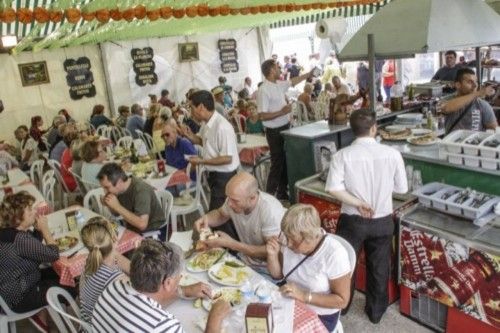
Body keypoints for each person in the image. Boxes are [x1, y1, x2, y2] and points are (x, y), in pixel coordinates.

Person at [325, 108, 408, 323]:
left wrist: (358, 202)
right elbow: (402, 189)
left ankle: (341, 308)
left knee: (345, 266)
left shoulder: (342, 155)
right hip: (382, 221)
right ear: (374, 128)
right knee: (379, 268)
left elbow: (332, 188)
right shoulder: (393, 154)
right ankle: (376, 313)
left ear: (352, 130)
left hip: (352, 220)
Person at [92, 239, 231, 333]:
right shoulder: (164, 325)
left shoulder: (114, 287)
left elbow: (145, 305)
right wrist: (215, 317)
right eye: (179, 277)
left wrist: (182, 291)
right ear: (168, 283)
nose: (180, 279)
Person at [266, 204, 351, 332]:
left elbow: (342, 301)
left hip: (320, 315)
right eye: (286, 237)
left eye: (293, 240)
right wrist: (272, 256)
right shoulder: (289, 242)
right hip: (291, 303)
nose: (288, 244)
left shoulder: (335, 254)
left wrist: (304, 296)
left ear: (310, 237)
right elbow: (279, 276)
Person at [0, 192, 70, 332]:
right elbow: (53, 254)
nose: (35, 211)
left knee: (54, 273)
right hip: (19, 297)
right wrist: (45, 230)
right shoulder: (19, 239)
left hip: (8, 290)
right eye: (30, 209)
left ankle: (41, 316)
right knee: (67, 284)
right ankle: (67, 322)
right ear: (18, 216)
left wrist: (37, 232)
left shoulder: (8, 232)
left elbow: (31, 247)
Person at [180, 90, 240, 238]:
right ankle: (229, 247)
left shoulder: (222, 126)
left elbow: (227, 158)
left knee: (218, 217)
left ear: (201, 107)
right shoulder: (206, 124)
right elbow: (203, 142)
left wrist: (201, 161)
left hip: (225, 177)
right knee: (222, 217)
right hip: (214, 175)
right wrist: (189, 136)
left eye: (191, 107)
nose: (190, 111)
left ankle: (229, 249)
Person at [194, 172, 285, 269]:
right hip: (244, 260)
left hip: (268, 269)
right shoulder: (233, 200)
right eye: (228, 197)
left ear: (252, 198)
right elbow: (221, 214)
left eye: (235, 200)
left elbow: (272, 251)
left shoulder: (270, 210)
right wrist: (206, 219)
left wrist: (231, 244)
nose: (229, 204)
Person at [257, 59, 312, 200]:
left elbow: (293, 81)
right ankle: (268, 197)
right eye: (277, 67)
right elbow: (262, 116)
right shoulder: (264, 90)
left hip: (285, 128)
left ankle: (282, 192)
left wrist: (308, 75)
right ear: (271, 70)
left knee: (284, 161)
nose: (280, 69)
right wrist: (282, 112)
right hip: (274, 132)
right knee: (277, 164)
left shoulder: (278, 84)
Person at [79, 217, 131, 324]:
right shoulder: (118, 280)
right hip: (102, 326)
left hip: (89, 324)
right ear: (115, 239)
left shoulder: (89, 265)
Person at [97, 163, 165, 234]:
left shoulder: (141, 190)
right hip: (132, 227)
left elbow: (142, 225)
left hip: (151, 230)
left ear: (119, 182)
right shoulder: (119, 190)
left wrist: (117, 207)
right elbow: (116, 214)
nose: (105, 191)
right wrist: (110, 204)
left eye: (107, 187)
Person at [441, 68, 497, 133]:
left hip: (473, 142)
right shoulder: (448, 99)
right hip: (450, 142)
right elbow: (446, 108)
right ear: (458, 85)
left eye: (476, 82)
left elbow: (494, 128)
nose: (475, 85)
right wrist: (478, 93)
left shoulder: (482, 105)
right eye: (470, 82)